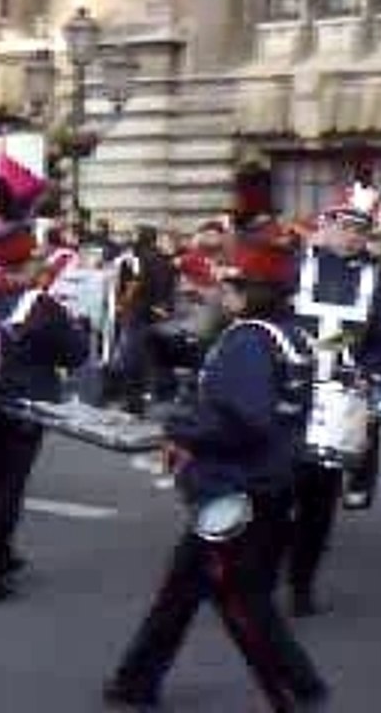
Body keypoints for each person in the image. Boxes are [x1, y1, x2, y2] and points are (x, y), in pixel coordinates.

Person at [103, 231, 329, 713]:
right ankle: (134, 681)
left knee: (240, 601)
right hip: (267, 481)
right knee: (183, 588)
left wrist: (179, 426)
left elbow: (242, 418)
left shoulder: (247, 340)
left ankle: (297, 689)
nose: (220, 293)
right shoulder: (291, 336)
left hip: (235, 488)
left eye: (230, 285)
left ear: (249, 293)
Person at [288, 202, 381, 617]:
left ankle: (300, 583)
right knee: (270, 490)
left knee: (319, 498)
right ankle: (260, 572)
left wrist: (370, 374)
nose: (352, 236)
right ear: (325, 226)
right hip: (288, 390)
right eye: (344, 227)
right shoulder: (293, 268)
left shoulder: (378, 280)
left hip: (339, 397)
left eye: (360, 230)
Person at [0, 223, 87, 602]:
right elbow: (76, 354)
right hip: (21, 407)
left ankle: (1, 554)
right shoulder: (42, 307)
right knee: (6, 491)